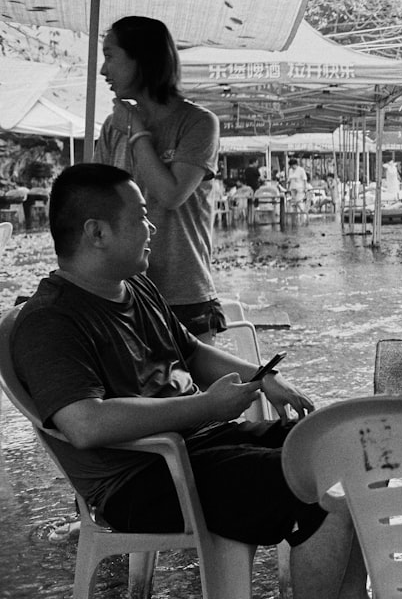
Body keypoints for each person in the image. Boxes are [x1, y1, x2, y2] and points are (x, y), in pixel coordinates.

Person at [11, 163, 368, 598]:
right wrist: (205, 407)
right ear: (97, 233)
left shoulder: (136, 287)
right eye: (141, 216)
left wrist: (262, 378)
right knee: (321, 497)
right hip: (144, 480)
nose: (152, 227)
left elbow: (194, 353)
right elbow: (85, 424)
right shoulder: (50, 320)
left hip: (202, 445)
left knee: (346, 446)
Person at [94, 16, 225, 342]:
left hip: (184, 292)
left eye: (110, 55)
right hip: (124, 290)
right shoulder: (112, 126)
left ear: (144, 59)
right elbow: (97, 203)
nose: (102, 70)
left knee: (196, 391)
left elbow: (171, 195)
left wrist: (137, 131)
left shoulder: (199, 124)